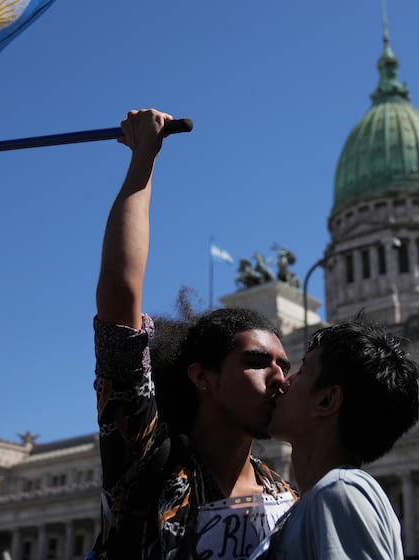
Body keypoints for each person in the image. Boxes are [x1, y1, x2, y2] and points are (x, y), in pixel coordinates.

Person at [90, 109, 297, 560]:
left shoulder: (288, 500)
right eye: (258, 362)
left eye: (285, 365)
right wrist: (144, 159)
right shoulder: (146, 459)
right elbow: (120, 294)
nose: (281, 378)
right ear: (203, 377)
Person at [250, 318, 419, 559]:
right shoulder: (319, 499)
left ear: (326, 401)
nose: (284, 381)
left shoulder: (340, 492)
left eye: (302, 371)